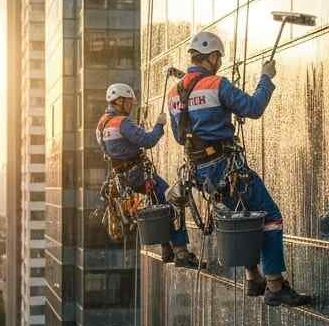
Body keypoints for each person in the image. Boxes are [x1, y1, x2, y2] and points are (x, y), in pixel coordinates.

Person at [167, 31, 312, 307]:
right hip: (224, 166)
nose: (219, 63)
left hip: (199, 171)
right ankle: (274, 284)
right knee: (270, 216)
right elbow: (254, 108)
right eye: (218, 58)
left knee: (242, 214)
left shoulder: (175, 92)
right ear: (211, 57)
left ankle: (252, 276)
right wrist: (266, 77)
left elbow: (178, 136)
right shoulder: (216, 84)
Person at [97, 82, 197, 267]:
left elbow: (113, 150)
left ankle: (166, 249)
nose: (130, 106)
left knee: (158, 203)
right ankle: (181, 252)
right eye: (128, 102)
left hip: (123, 178)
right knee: (173, 200)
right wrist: (159, 125)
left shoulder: (102, 124)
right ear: (118, 101)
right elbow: (148, 140)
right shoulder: (122, 122)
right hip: (138, 174)